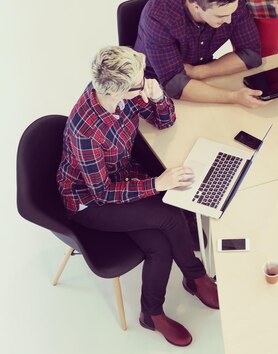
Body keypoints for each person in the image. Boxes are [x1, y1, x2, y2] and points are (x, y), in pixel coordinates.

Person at [57, 46, 219, 347]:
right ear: (119, 90)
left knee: (159, 247)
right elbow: (102, 193)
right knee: (169, 216)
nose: (145, 83)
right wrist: (157, 183)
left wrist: (157, 97)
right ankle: (195, 279)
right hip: (90, 202)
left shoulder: (122, 96)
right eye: (140, 84)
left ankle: (152, 311)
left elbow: (164, 121)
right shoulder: (86, 132)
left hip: (120, 179)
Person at [134, 0, 267, 107]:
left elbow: (251, 55)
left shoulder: (230, 2)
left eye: (232, 13)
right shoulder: (158, 17)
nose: (229, 20)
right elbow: (175, 85)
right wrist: (233, 97)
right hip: (153, 85)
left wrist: (200, 72)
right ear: (196, 7)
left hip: (201, 76)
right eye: (221, 16)